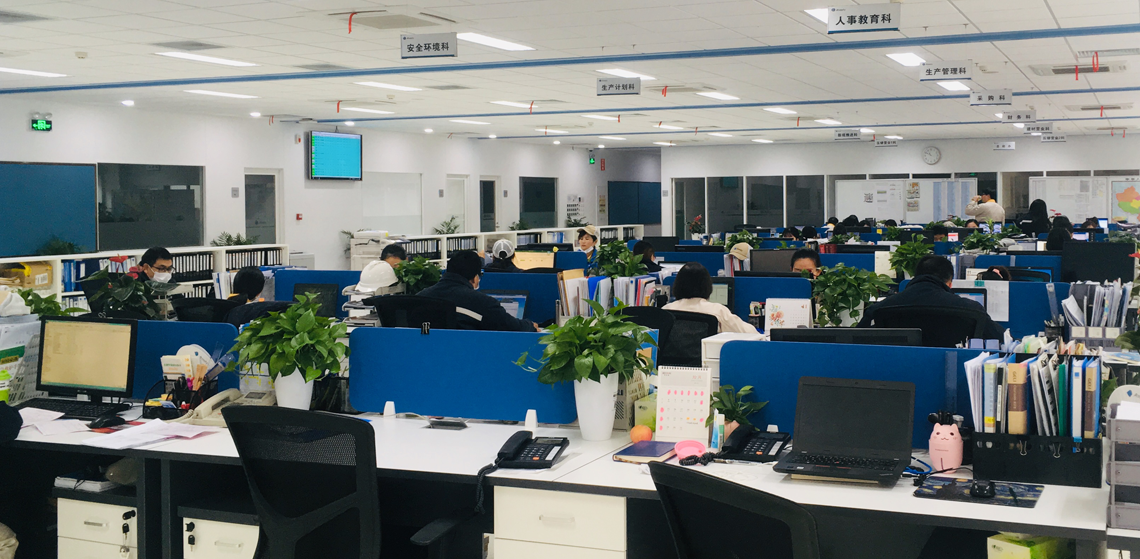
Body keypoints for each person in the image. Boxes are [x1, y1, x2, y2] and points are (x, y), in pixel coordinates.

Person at [858, 255, 1003, 340]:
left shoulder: (879, 309)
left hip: (895, 378)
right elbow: (1004, 341)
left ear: (915, 277)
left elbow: (854, 342)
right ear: (950, 283)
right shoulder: (971, 310)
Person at [417, 250, 540, 332]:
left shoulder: (420, 297)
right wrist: (530, 326)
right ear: (475, 278)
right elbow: (510, 326)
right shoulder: (482, 302)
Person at [663, 263, 757, 333]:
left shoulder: (666, 311)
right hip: (707, 354)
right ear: (707, 286)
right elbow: (750, 333)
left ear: (677, 285)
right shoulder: (718, 311)